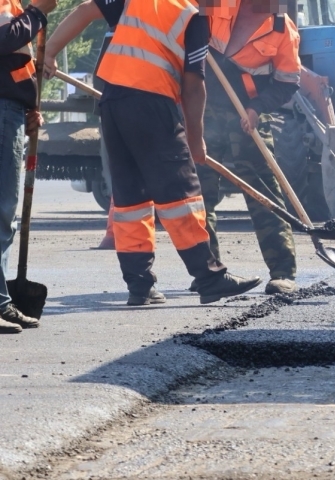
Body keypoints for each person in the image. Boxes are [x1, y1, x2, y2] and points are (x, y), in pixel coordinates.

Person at [45, 0, 263, 306]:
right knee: (180, 192)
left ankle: (140, 285)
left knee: (130, 196)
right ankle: (209, 277)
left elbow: (85, 10)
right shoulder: (195, 16)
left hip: (112, 102)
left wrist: (49, 52)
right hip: (151, 101)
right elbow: (193, 85)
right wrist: (196, 140)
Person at [193, 0, 301, 295]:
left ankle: (283, 273)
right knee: (199, 195)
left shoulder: (283, 29)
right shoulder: (216, 6)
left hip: (247, 117)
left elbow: (287, 82)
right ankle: (208, 270)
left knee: (264, 193)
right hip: (202, 112)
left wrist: (257, 108)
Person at [0, 0, 55, 333]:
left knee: (3, 213)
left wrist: (26, 103)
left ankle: (2, 302)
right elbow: (3, 39)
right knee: (1, 210)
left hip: (10, 109)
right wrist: (37, 13)